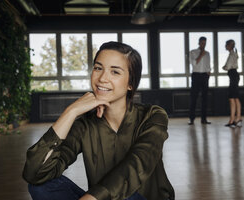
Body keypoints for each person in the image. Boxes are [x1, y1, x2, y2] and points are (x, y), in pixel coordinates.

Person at [22, 41, 175, 200]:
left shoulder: (152, 116)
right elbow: (34, 173)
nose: (102, 78)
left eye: (115, 72)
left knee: (126, 196)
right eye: (98, 68)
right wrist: (71, 112)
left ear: (130, 83)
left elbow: (136, 164)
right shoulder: (85, 125)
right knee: (41, 184)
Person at [189, 36, 211, 125]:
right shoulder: (193, 52)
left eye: (205, 43)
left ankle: (204, 119)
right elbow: (194, 63)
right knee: (194, 97)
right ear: (199, 43)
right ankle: (191, 119)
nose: (203, 45)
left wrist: (209, 72)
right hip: (196, 75)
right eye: (202, 43)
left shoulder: (208, 53)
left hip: (205, 76)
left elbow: (208, 65)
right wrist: (201, 54)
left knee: (205, 98)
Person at [222, 39, 242, 127]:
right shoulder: (233, 54)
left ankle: (234, 118)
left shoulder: (232, 54)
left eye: (226, 45)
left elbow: (227, 67)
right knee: (235, 97)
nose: (225, 46)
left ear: (230, 45)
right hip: (234, 76)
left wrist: (224, 67)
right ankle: (236, 118)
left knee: (232, 98)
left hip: (233, 75)